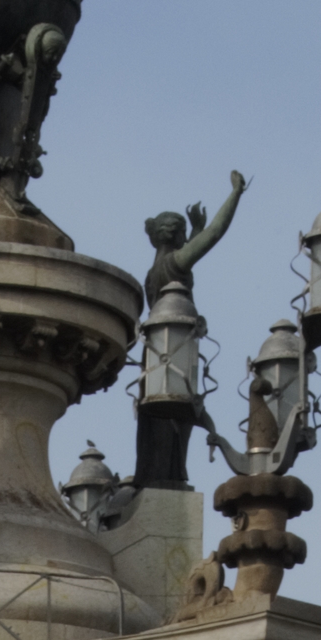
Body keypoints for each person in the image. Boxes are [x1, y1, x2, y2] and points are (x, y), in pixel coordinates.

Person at [134, 175, 247, 488]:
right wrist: (236, 194)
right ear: (176, 235)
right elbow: (214, 234)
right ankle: (169, 476)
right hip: (175, 355)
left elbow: (196, 241)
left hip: (157, 353)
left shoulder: (153, 271)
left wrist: (195, 229)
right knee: (174, 416)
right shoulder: (175, 263)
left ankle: (158, 475)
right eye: (185, 233)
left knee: (158, 423)